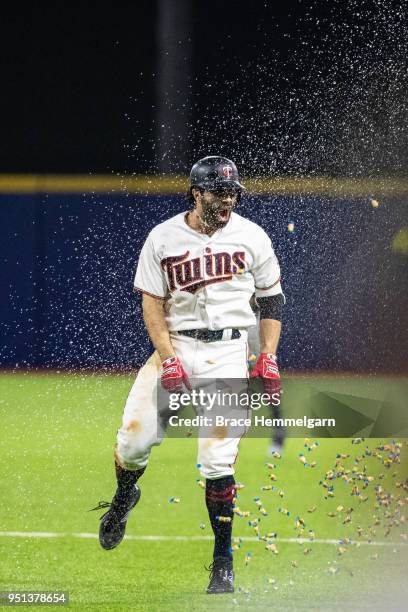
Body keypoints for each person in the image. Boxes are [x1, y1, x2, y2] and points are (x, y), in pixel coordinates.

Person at [92, 156, 285, 594]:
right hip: (176, 345)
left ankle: (223, 561)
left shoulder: (252, 236)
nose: (227, 201)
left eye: (233, 193)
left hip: (229, 354)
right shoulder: (163, 237)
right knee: (133, 441)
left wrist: (268, 355)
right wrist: (168, 356)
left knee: (217, 459)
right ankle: (124, 497)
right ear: (195, 193)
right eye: (219, 193)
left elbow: (272, 301)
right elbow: (151, 303)